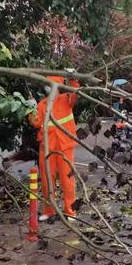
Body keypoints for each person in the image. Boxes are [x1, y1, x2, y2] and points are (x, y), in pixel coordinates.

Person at [29, 75, 79, 221]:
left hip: (65, 146)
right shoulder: (42, 104)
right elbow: (35, 123)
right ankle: (49, 210)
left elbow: (75, 93)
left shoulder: (66, 99)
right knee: (46, 180)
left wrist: (73, 78)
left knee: (67, 180)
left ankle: (70, 211)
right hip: (47, 147)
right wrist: (31, 108)